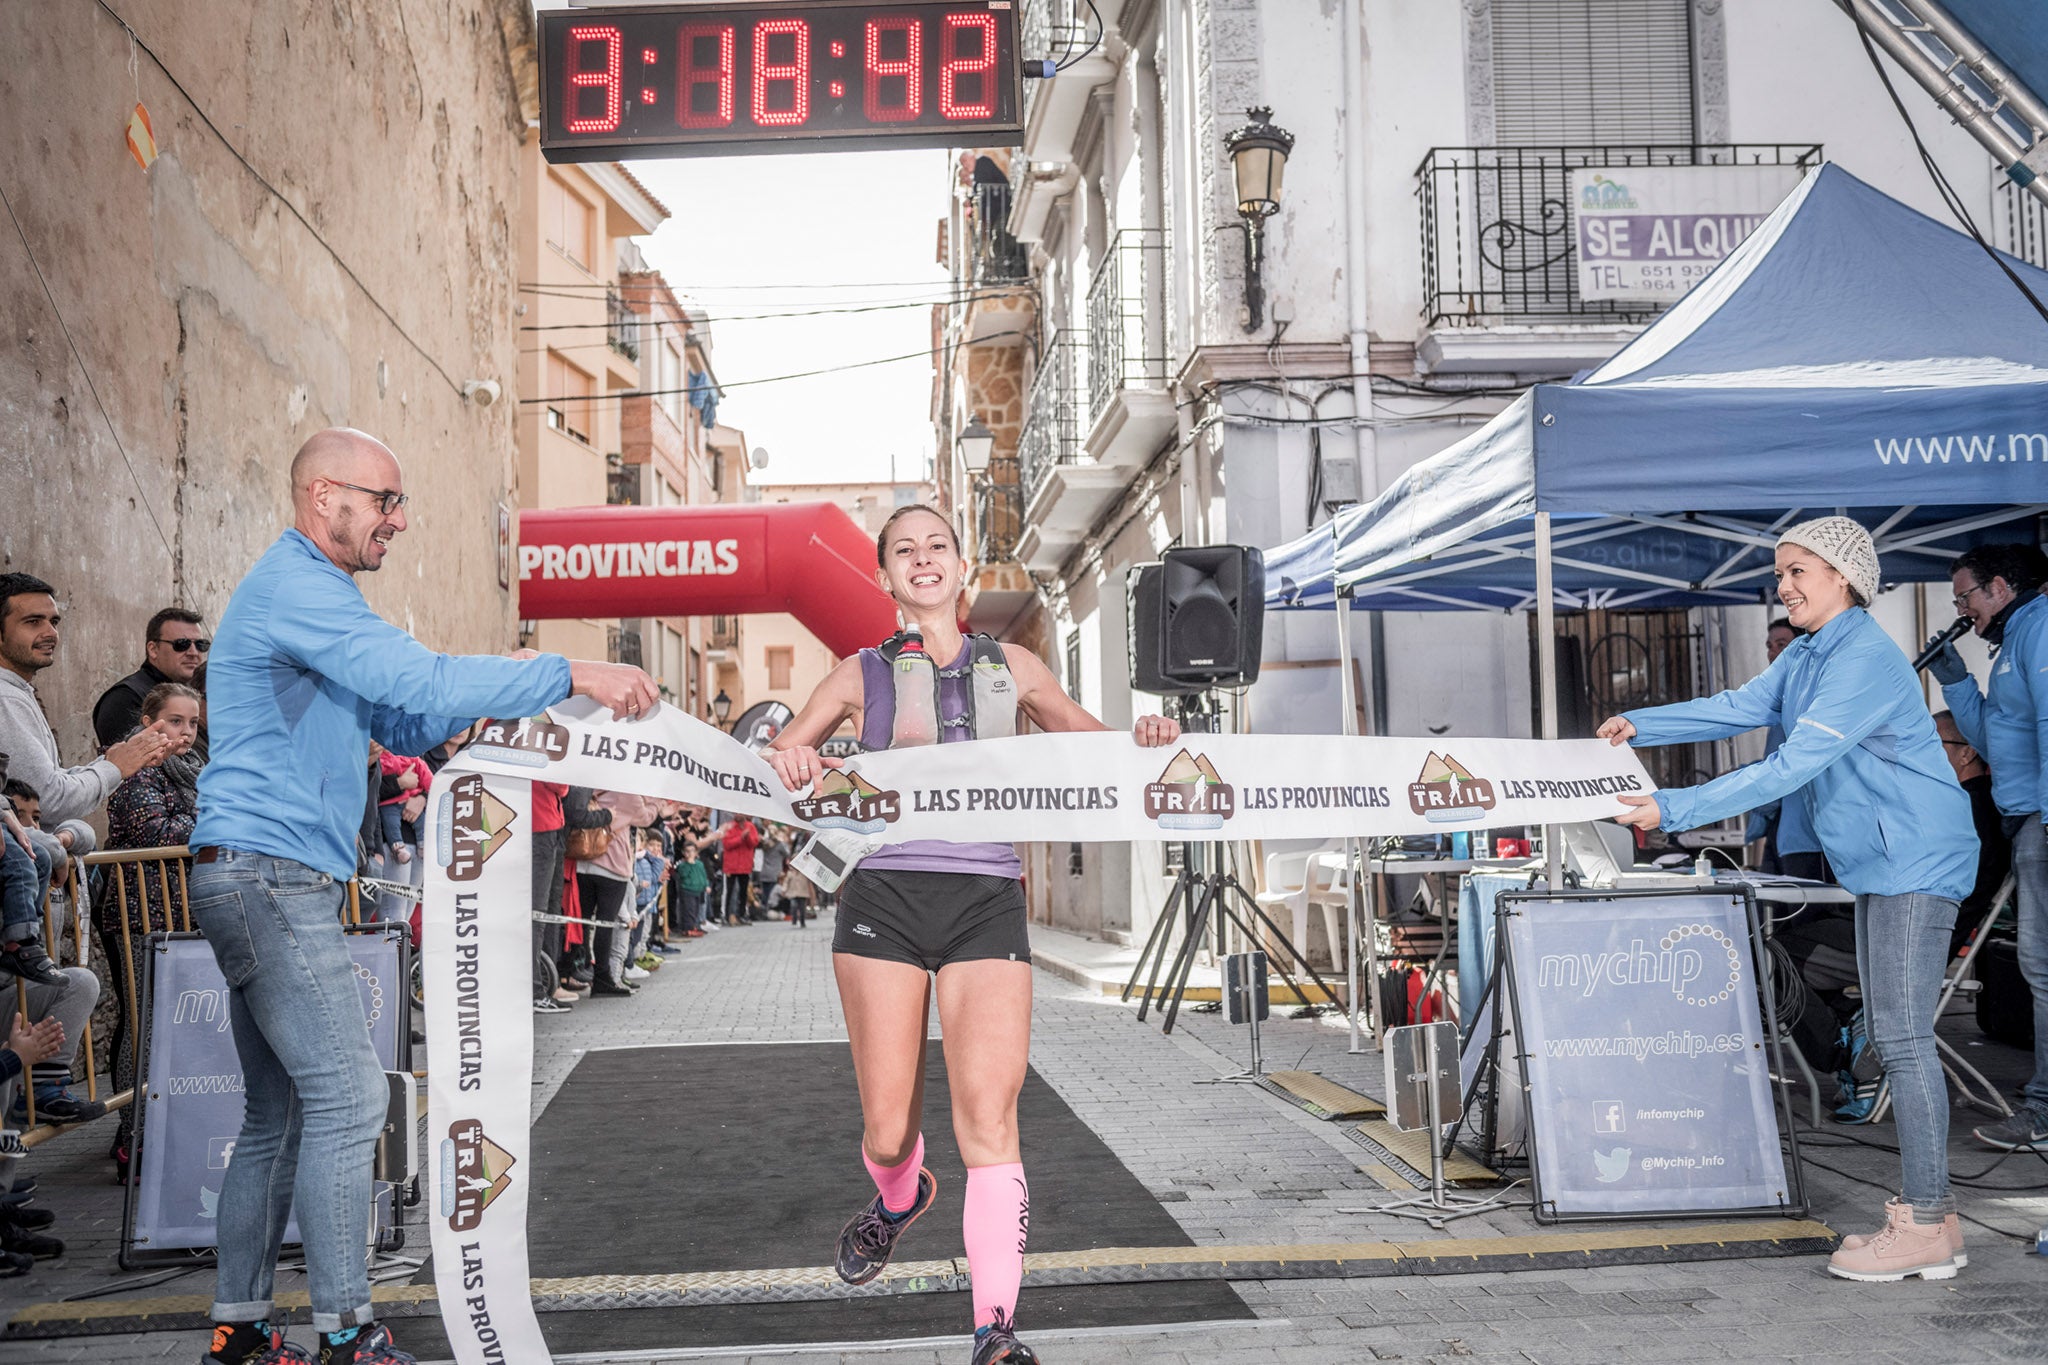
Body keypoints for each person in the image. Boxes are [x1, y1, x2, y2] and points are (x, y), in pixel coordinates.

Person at [186, 428, 657, 1365]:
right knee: (352, 1100)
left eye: (400, 504)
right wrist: (566, 670)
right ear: (325, 497)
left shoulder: (320, 596)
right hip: (271, 874)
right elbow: (416, 678)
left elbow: (402, 712)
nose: (398, 520)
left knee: (276, 1116)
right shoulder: (299, 587)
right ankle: (347, 1333)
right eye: (384, 500)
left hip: (256, 872)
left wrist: (510, 717)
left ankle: (240, 1334)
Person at [763, 503, 1181, 1365]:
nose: (922, 559)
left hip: (985, 901)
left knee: (989, 1118)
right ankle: (899, 1194)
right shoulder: (854, 676)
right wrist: (795, 758)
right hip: (880, 899)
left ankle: (995, 1329)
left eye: (937, 546)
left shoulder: (1015, 665)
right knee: (887, 1131)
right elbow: (778, 765)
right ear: (884, 576)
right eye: (904, 550)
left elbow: (1095, 748)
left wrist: (1147, 738)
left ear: (964, 567)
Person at [1599, 516, 1976, 1284]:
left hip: (1916, 854)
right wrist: (1645, 721)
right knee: (1896, 1034)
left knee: (1901, 1039)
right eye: (1780, 572)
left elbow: (1793, 764)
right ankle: (1934, 1218)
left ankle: (1928, 1222)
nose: (1785, 585)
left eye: (1799, 570)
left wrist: (1670, 807)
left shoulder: (1864, 656)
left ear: (1844, 576)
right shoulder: (1808, 653)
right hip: (1881, 859)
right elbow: (1743, 705)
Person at [1925, 542, 2048, 1151]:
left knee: (2044, 969)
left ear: (2000, 587)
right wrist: (1955, 679)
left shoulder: (2041, 626)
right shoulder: (2015, 640)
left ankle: (2044, 1111)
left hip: (2042, 819)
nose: (1962, 608)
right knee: (2040, 969)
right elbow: (1993, 737)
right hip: (2027, 818)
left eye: (1965, 596)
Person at [0, 573, 170, 981]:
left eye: (54, 621)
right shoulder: (4, 697)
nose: (49, 632)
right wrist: (116, 767)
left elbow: (46, 794)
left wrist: (109, 765)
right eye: (32, 621)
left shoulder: (17, 691)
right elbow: (50, 799)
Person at [99, 682, 207, 1165]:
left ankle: (179, 1130)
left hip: (189, 913)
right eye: (175, 721)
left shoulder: (196, 768)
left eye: (192, 723)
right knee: (143, 1025)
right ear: (148, 724)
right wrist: (214, 820)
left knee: (185, 1025)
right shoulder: (132, 771)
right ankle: (133, 1137)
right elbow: (153, 831)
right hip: (142, 915)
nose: (185, 732)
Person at [93, 606, 211, 759]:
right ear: (153, 649)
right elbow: (128, 767)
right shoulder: (125, 697)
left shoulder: (192, 695)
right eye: (182, 644)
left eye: (200, 645)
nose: (193, 653)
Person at [719, 815, 761, 926]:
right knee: (728, 892)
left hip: (745, 865)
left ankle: (741, 915)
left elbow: (754, 843)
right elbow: (727, 844)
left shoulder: (751, 827)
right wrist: (741, 838)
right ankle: (726, 915)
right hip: (731, 865)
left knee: (743, 892)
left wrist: (747, 837)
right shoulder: (729, 826)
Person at [672, 836, 710, 938]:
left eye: (692, 851)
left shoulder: (699, 864)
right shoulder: (683, 865)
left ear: (696, 853)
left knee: (696, 909)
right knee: (688, 910)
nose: (690, 854)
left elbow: (703, 875)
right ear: (684, 853)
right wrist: (688, 863)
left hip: (698, 890)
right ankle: (687, 928)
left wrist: (706, 885)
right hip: (687, 890)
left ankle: (694, 925)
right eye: (687, 851)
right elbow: (683, 875)